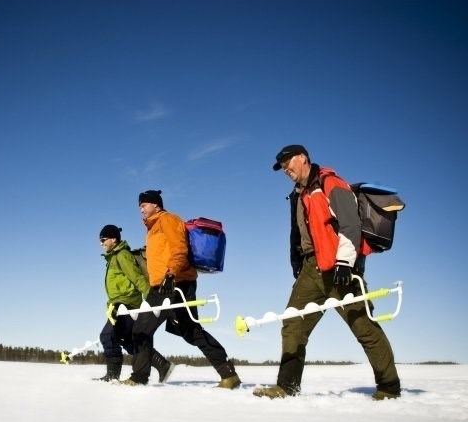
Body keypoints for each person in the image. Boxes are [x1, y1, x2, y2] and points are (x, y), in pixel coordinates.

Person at [253, 145, 401, 400]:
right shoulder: (299, 195)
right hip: (311, 270)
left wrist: (344, 262)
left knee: (363, 326)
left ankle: (389, 387)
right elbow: (300, 235)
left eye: (288, 162)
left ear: (303, 158)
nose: (286, 169)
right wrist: (297, 262)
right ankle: (286, 386)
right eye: (282, 167)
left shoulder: (330, 183)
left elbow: (351, 224)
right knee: (292, 323)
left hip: (340, 267)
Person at [120, 191, 241, 388]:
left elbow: (179, 249)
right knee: (190, 331)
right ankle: (228, 374)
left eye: (144, 204)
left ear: (156, 205)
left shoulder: (168, 220)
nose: (141, 208)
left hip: (170, 284)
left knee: (141, 329)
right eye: (140, 206)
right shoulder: (151, 229)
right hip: (169, 283)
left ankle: (139, 377)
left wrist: (170, 275)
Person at [98, 224, 174, 383]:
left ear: (113, 239)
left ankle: (112, 375)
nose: (101, 243)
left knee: (108, 335)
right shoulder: (113, 257)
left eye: (103, 239)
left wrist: (151, 299)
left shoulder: (122, 255)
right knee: (128, 339)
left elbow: (137, 277)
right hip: (120, 303)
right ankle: (163, 365)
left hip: (126, 303)